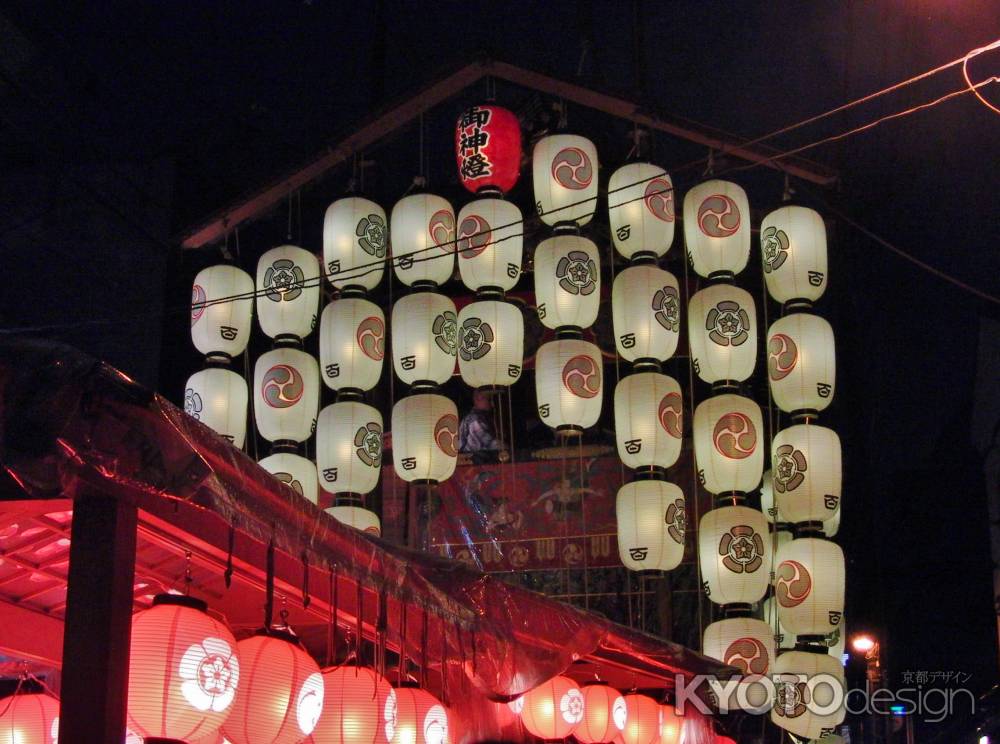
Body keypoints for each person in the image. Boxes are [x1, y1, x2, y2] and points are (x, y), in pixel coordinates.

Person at [458, 389, 506, 463]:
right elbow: (490, 443)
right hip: (474, 463)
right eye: (489, 400)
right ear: (478, 399)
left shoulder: (481, 418)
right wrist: (509, 449)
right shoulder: (474, 420)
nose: (492, 404)